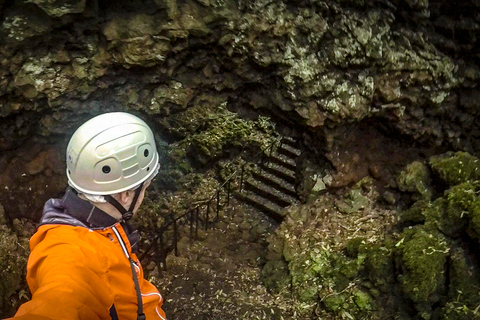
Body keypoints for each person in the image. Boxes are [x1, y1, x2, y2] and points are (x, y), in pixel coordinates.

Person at [8, 112, 167, 320]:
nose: (145, 195)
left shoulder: (102, 228)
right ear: (125, 194)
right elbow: (59, 301)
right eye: (145, 187)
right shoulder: (69, 253)